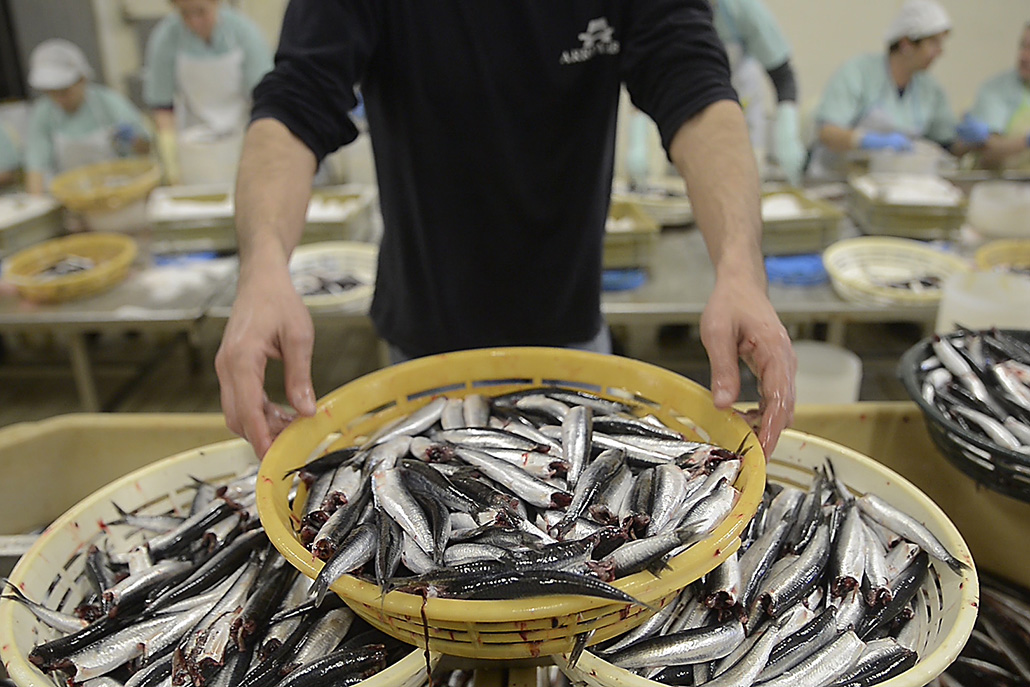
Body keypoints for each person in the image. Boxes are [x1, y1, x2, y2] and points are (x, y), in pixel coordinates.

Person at [215, 1, 797, 460]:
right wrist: (264, 263)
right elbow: (296, 100)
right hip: (420, 347)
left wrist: (740, 267)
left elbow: (694, 86)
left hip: (569, 342)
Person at [808, 0, 973, 178]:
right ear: (906, 44)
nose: (940, 52)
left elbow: (946, 144)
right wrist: (867, 141)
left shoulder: (929, 89)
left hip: (894, 184)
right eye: (933, 43)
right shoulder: (858, 73)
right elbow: (828, 133)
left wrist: (973, 140)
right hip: (838, 179)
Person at [142, 0, 273, 184]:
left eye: (201, 12)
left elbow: (264, 99)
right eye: (185, 14)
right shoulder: (166, 37)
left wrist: (262, 149)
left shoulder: (244, 33)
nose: (194, 22)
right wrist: (170, 159)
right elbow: (162, 106)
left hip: (243, 136)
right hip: (193, 143)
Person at [22, 39, 151, 195]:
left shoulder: (108, 103)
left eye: (64, 91)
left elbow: (145, 149)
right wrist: (36, 205)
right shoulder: (43, 114)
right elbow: (36, 167)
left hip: (118, 192)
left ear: (82, 79)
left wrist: (133, 139)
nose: (59, 99)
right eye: (52, 93)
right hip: (71, 197)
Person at [711, 0, 807, 185]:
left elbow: (783, 77)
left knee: (743, 182)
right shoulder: (667, 13)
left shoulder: (741, 9)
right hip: (691, 122)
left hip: (744, 116)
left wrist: (787, 134)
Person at [955, 24, 1030, 170]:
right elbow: (988, 152)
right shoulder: (997, 89)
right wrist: (1025, 142)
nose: (1024, 56)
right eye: (1023, 46)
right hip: (997, 186)